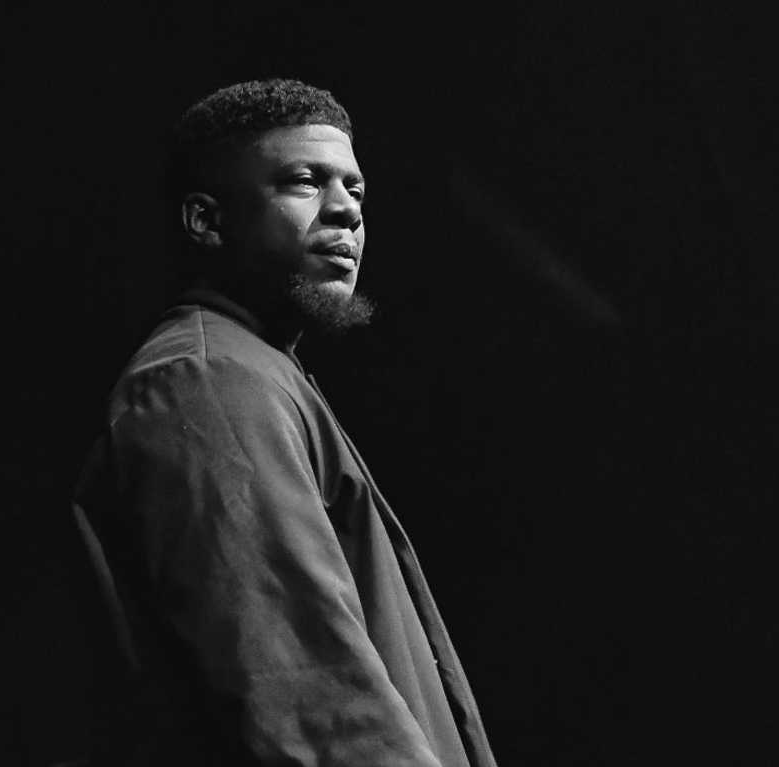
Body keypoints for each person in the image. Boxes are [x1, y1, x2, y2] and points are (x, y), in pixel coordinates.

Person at [71, 79, 497, 767]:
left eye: (356, 192)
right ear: (207, 221)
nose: (345, 214)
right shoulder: (207, 380)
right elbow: (307, 694)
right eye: (304, 181)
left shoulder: (260, 371)